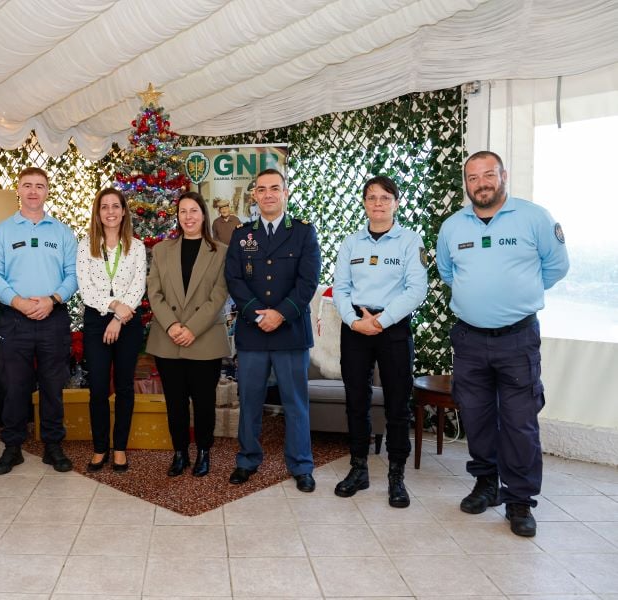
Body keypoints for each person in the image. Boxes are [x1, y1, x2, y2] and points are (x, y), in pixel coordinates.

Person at [437, 150, 569, 537]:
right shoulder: (452, 227)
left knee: (520, 424)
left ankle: (520, 502)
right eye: (473, 177)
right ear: (467, 183)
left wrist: (517, 296)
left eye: (488, 175)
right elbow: (448, 272)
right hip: (469, 339)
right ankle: (486, 485)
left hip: (518, 340)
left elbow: (556, 267)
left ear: (503, 176)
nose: (481, 183)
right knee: (476, 418)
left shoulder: (534, 217)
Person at [332, 175, 428, 507]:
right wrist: (355, 321)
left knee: (398, 404)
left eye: (385, 197)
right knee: (355, 401)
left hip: (394, 328)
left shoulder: (409, 241)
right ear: (364, 203)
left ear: (396, 203)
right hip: (356, 329)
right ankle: (358, 469)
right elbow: (340, 288)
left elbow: (417, 289)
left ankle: (396, 476)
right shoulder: (351, 243)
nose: (378, 203)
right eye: (371, 197)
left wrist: (382, 321)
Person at [225, 168, 321, 492]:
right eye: (262, 189)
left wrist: (279, 315)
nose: (268, 194)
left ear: (285, 193)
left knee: (295, 402)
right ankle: (247, 459)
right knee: (249, 400)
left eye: (274, 188)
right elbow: (234, 279)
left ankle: (301, 464)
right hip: (253, 332)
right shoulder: (242, 235)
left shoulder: (304, 233)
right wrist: (256, 314)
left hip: (290, 331)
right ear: (254, 195)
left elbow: (308, 282)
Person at [0, 167, 78, 474]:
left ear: (47, 191)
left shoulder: (62, 232)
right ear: (19, 191)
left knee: (53, 385)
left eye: (40, 186)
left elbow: (74, 275)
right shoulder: (3, 231)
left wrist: (52, 300)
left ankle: (53, 446)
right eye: (28, 185)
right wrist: (18, 301)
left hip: (53, 317)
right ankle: (13, 447)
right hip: (15, 319)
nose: (34, 191)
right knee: (14, 386)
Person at [147, 191, 231, 477]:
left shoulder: (220, 251)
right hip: (168, 339)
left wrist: (191, 328)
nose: (188, 217)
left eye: (193, 210)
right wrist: (172, 325)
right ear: (177, 216)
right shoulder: (161, 250)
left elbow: (219, 294)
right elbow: (154, 292)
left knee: (205, 401)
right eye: (183, 211)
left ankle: (204, 452)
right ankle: (180, 452)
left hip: (204, 337)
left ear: (203, 214)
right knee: (175, 402)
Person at [76, 188, 147, 472]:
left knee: (125, 387)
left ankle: (119, 448)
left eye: (115, 206)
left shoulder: (137, 247)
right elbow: (86, 289)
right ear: (97, 213)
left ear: (124, 211)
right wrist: (113, 306)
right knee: (98, 388)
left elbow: (138, 285)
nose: (110, 212)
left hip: (128, 323)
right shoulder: (85, 246)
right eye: (104, 207)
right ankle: (99, 447)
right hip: (96, 322)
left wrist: (119, 318)